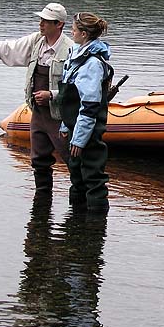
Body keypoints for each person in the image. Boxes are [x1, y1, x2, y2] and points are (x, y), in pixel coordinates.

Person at [0, 3, 74, 196]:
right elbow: (9, 49)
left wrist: (52, 95)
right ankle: (42, 203)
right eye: (41, 20)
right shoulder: (36, 41)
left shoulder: (70, 50)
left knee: (71, 159)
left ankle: (81, 206)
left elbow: (76, 88)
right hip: (38, 114)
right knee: (39, 159)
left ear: (59, 25)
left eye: (46, 21)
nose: (41, 24)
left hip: (61, 116)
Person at [54, 12, 113, 213]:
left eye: (74, 30)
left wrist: (79, 139)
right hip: (74, 126)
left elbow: (89, 106)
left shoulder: (92, 64)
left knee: (92, 177)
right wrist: (65, 124)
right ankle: (76, 225)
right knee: (76, 174)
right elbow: (69, 99)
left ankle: (95, 227)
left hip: (88, 131)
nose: (72, 32)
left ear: (85, 34)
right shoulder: (77, 55)